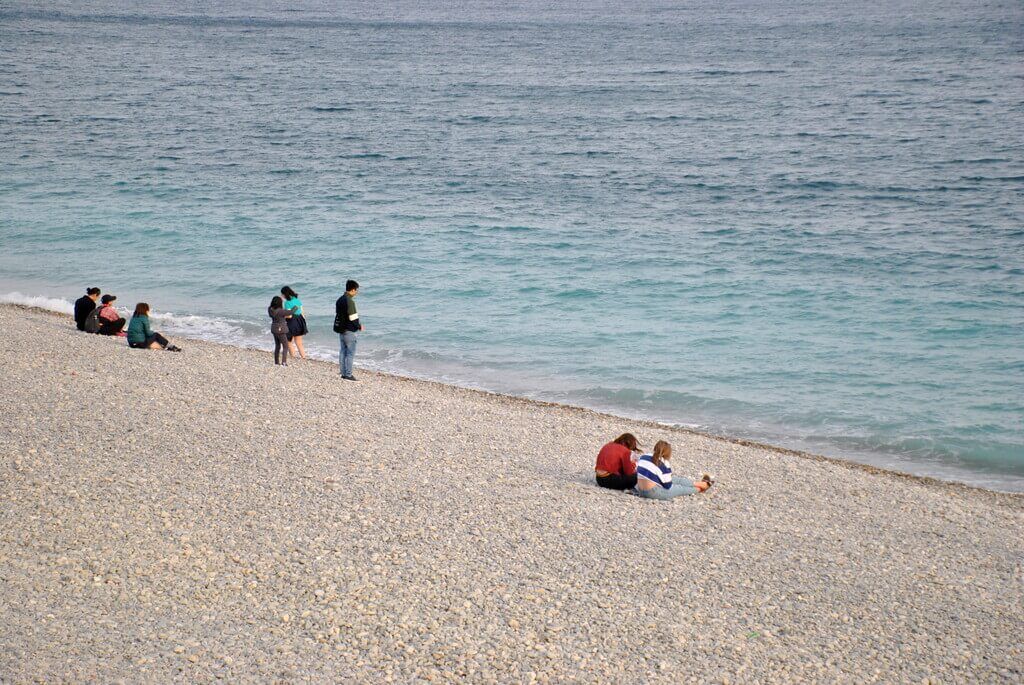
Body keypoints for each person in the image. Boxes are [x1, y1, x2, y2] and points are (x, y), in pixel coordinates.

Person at [635, 440, 713, 500]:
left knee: (676, 479)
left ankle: (700, 484)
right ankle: (700, 488)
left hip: (640, 489)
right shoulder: (664, 463)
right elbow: (668, 486)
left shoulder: (644, 456)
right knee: (680, 489)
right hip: (652, 492)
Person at [334, 279, 362, 381]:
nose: (357, 292)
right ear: (353, 290)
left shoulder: (339, 300)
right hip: (349, 330)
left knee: (342, 351)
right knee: (350, 353)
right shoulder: (350, 301)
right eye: (356, 290)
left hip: (341, 329)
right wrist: (359, 326)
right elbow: (353, 317)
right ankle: (349, 374)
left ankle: (343, 373)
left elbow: (339, 314)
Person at [268, 296, 298, 366]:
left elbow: (284, 312)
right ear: (279, 303)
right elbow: (291, 312)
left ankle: (276, 362)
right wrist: (296, 306)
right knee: (285, 346)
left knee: (277, 346)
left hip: (274, 329)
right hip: (280, 330)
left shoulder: (270, 309)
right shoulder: (281, 311)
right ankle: (284, 363)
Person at [281, 286, 308, 360]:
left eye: (282, 294)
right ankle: (303, 357)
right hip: (300, 321)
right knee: (299, 342)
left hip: (292, 322)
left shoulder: (287, 303)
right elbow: (302, 312)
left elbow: (289, 315)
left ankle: (293, 357)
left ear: (285, 294)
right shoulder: (297, 300)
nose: (281, 296)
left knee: (288, 341)